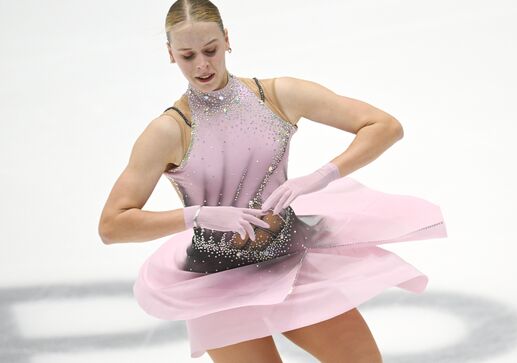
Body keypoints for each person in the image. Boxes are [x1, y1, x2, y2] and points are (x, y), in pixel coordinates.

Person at [98, 1, 447, 362]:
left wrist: (322, 175)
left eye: (210, 50)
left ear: (227, 40)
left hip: (290, 257)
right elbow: (112, 226)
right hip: (217, 283)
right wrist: (198, 216)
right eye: (188, 55)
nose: (202, 65)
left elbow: (384, 126)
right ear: (171, 54)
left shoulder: (278, 97)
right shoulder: (168, 131)